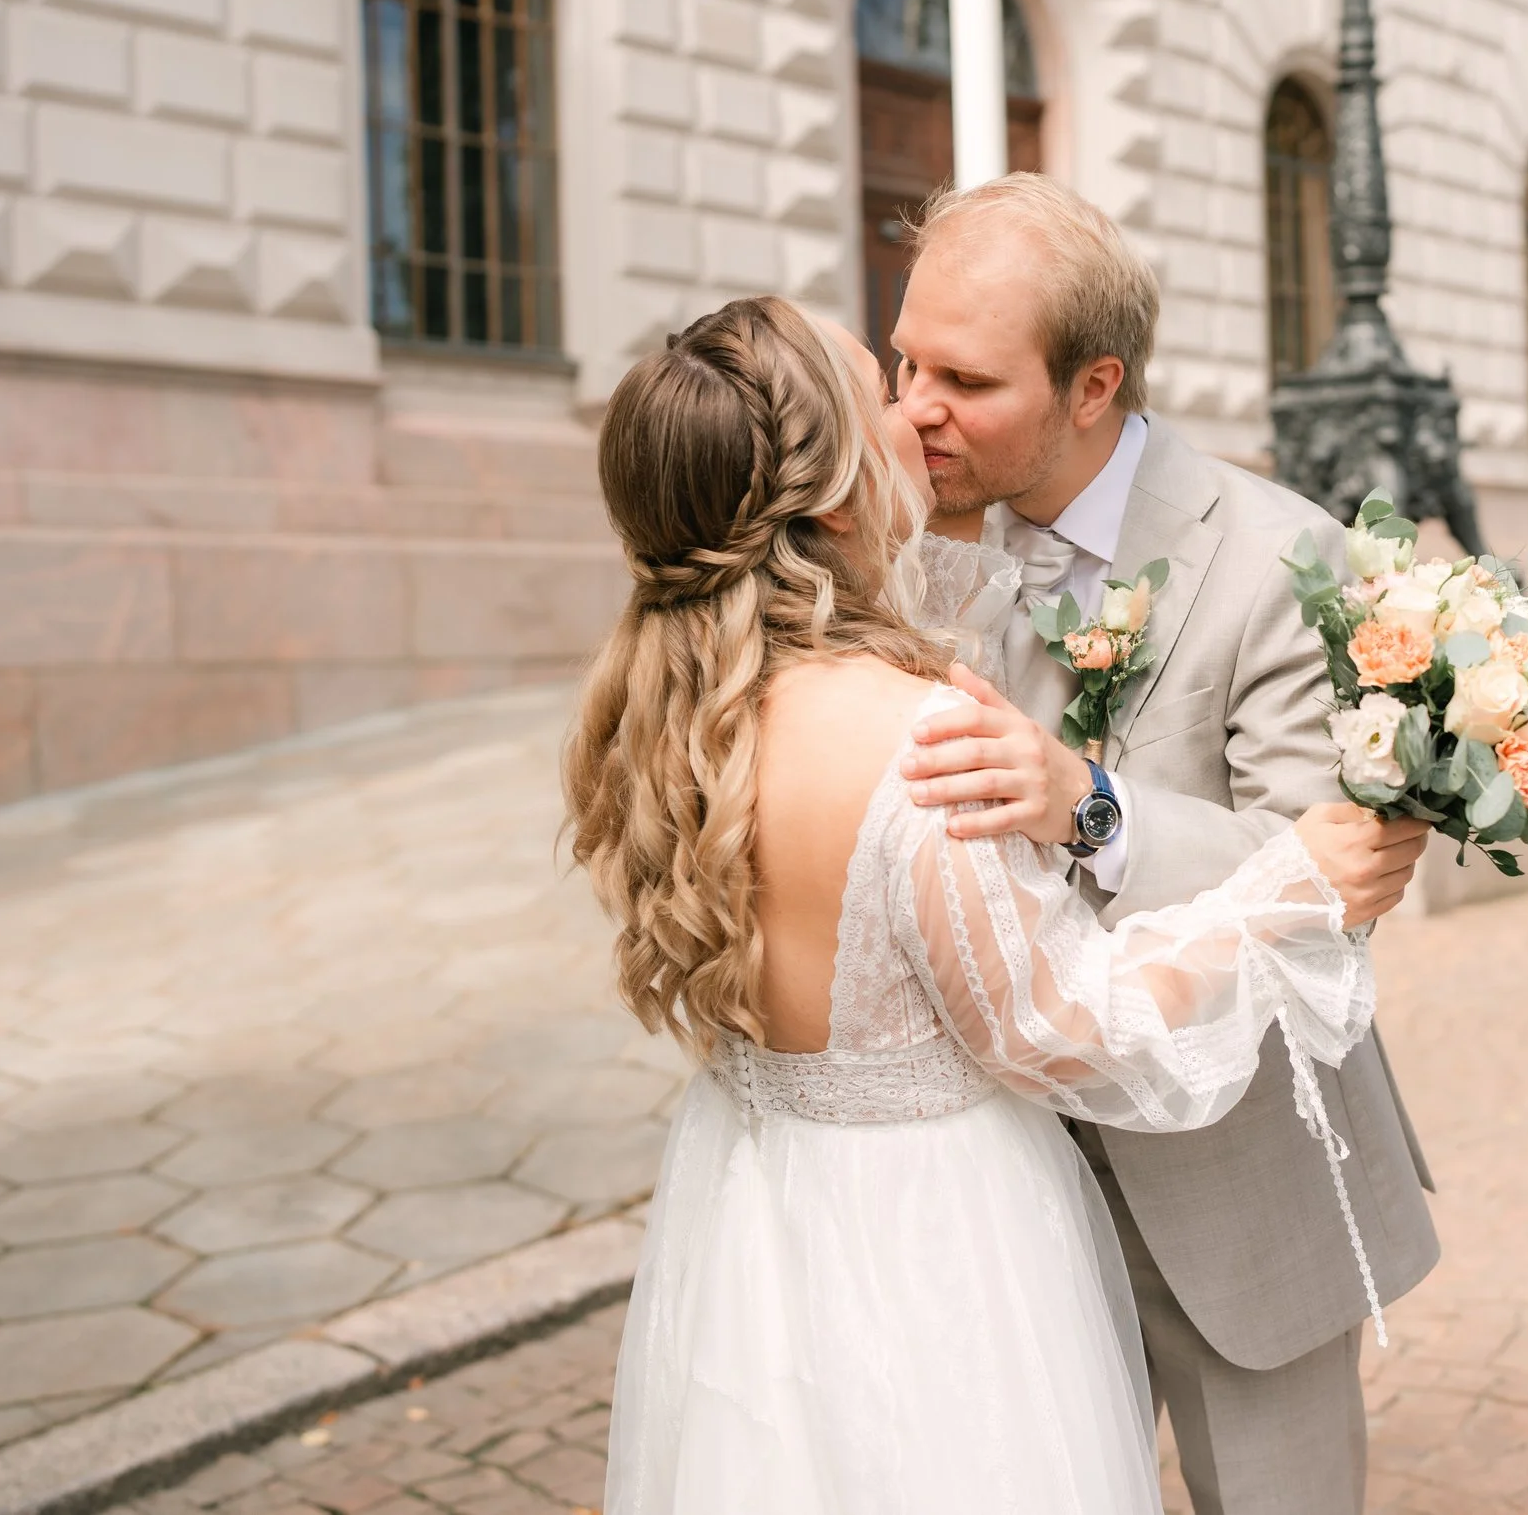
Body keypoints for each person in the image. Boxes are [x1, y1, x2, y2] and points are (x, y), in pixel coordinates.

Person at [567, 295, 1431, 1514]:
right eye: (884, 385)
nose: (914, 412)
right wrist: (1292, 891)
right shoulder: (915, 734)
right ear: (823, 490)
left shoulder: (669, 714)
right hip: (942, 1244)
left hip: (765, 1224)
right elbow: (1057, 1025)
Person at [890, 174, 1442, 1515]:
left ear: (1094, 388)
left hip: (1230, 1172)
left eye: (964, 376)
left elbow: (1324, 883)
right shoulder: (900, 536)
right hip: (1002, 1174)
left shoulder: (1280, 557)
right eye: (904, 357)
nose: (913, 406)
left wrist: (1087, 800)